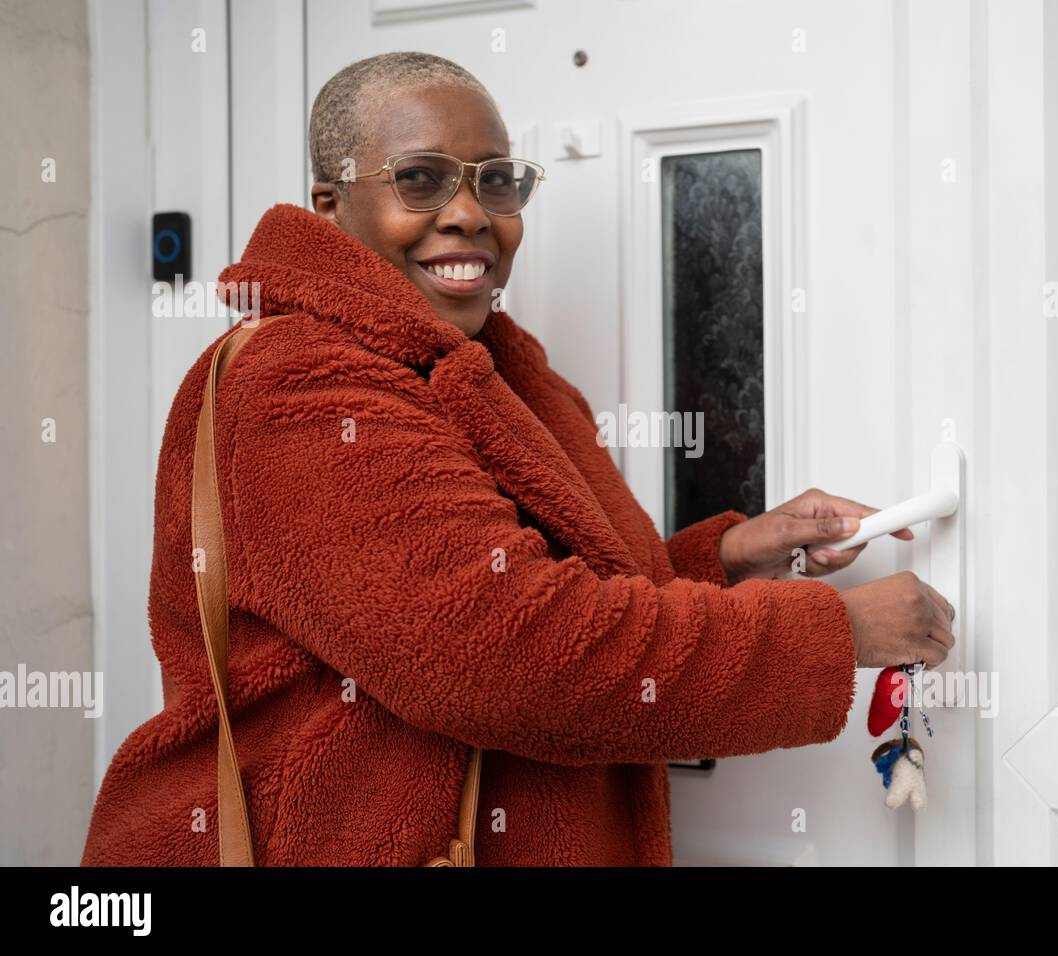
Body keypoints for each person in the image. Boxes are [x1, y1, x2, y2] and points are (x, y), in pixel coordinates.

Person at [81, 52, 954, 866]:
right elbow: (507, 656)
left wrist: (732, 554)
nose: (469, 213)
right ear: (329, 205)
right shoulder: (298, 385)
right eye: (419, 179)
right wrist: (838, 634)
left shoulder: (502, 375)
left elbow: (571, 590)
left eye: (496, 181)